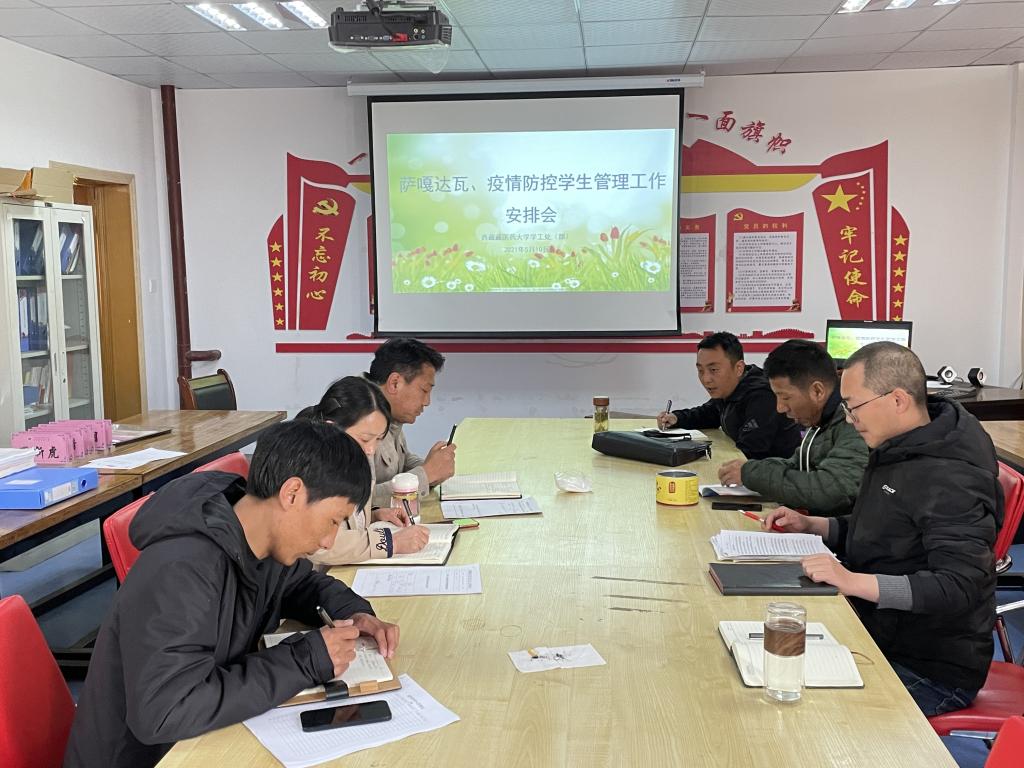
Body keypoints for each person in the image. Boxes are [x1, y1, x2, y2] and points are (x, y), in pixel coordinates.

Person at [64, 420, 400, 768]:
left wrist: (354, 614)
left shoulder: (258, 536)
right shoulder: (182, 567)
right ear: (292, 494)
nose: (329, 541)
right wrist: (304, 660)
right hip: (148, 757)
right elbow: (166, 711)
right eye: (332, 521)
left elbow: (301, 585)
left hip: (202, 737)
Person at [763, 342, 1003, 716]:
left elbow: (957, 586)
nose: (848, 419)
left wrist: (851, 581)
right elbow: (885, 532)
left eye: (853, 406)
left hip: (928, 666)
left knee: (803, 713)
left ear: (897, 400)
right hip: (878, 631)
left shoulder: (951, 475)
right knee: (770, 668)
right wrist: (815, 525)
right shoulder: (899, 446)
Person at [717, 340, 868, 516]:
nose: (780, 408)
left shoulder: (853, 420)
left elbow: (832, 490)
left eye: (785, 398)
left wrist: (751, 474)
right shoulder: (820, 417)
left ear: (817, 391)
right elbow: (797, 465)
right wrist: (750, 469)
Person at [297, 376, 430, 563]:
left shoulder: (356, 459)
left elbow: (345, 522)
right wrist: (390, 542)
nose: (371, 450)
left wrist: (374, 515)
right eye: (365, 439)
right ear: (331, 429)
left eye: (378, 439)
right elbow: (318, 545)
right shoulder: (308, 469)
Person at [657, 331, 801, 459]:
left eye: (714, 370)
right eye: (700, 370)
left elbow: (749, 453)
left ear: (738, 368)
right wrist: (676, 418)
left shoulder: (762, 396)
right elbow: (708, 414)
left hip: (772, 475)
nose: (706, 379)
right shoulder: (729, 388)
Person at [365, 338, 456, 507]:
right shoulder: (358, 418)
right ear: (395, 383)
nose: (427, 402)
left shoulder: (387, 410)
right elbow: (358, 503)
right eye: (424, 390)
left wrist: (434, 468)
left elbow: (401, 461)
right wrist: (426, 474)